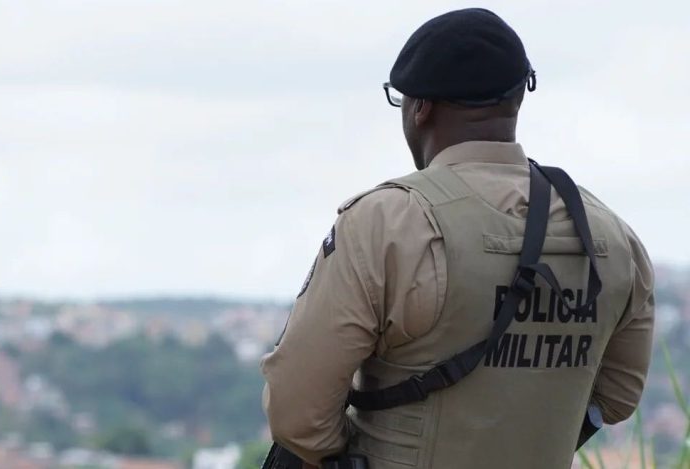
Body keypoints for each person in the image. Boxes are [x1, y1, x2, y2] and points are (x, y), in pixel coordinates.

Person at [260, 8, 654, 469]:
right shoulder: (611, 234)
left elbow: (298, 415)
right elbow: (618, 395)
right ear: (516, 100)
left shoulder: (388, 223)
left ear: (420, 107)